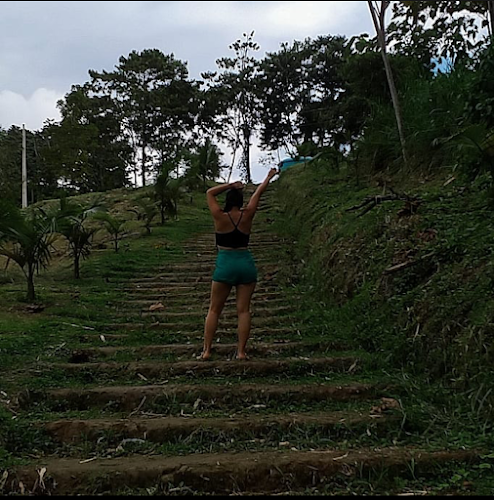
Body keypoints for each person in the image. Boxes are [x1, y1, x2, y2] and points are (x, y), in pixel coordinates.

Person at [201, 168, 279, 361]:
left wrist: (230, 185)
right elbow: (259, 191)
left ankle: (207, 351)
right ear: (241, 202)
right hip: (245, 264)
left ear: (227, 200)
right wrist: (268, 176)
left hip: (225, 264)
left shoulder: (219, 216)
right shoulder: (248, 215)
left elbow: (209, 193)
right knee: (243, 310)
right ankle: (242, 352)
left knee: (214, 309)